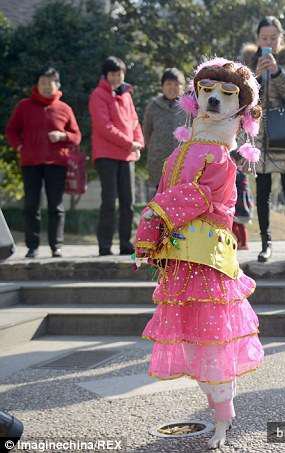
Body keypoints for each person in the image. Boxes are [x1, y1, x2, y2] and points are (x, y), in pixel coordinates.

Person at [134, 57, 264, 450]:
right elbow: (165, 193)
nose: (213, 99)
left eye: (226, 93)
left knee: (212, 339)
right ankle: (218, 408)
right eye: (206, 90)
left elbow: (201, 196)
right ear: (195, 97)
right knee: (193, 338)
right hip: (181, 257)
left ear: (239, 106)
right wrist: (153, 228)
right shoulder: (185, 150)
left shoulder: (219, 156)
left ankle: (223, 415)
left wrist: (156, 213)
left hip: (207, 260)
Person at [5, 67, 81, 258]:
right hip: (30, 163)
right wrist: (19, 146)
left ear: (58, 85)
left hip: (57, 163)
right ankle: (32, 246)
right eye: (43, 83)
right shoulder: (24, 106)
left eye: (50, 83)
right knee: (31, 205)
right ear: (37, 85)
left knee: (56, 206)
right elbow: (11, 130)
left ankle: (56, 246)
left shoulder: (65, 108)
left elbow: (76, 136)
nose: (47, 86)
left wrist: (62, 136)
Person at [248, 16, 285, 263]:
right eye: (264, 38)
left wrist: (277, 72)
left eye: (273, 37)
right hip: (260, 135)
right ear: (257, 39)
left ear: (281, 38)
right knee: (262, 191)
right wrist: (256, 77)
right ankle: (265, 243)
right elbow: (243, 98)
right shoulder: (249, 62)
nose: (268, 42)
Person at [89, 56, 144, 256]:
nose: (116, 77)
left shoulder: (126, 95)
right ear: (105, 75)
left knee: (128, 202)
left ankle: (125, 243)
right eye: (112, 74)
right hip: (106, 155)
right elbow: (104, 127)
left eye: (119, 74)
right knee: (109, 201)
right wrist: (130, 143)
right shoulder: (98, 95)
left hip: (127, 156)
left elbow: (135, 122)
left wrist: (139, 142)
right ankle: (104, 245)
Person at [143, 68, 187, 197]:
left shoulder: (189, 108)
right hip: (158, 162)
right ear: (162, 86)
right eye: (168, 84)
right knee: (158, 199)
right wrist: (154, 148)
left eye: (177, 84)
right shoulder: (153, 106)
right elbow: (147, 131)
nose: (172, 87)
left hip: (183, 163)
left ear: (183, 87)